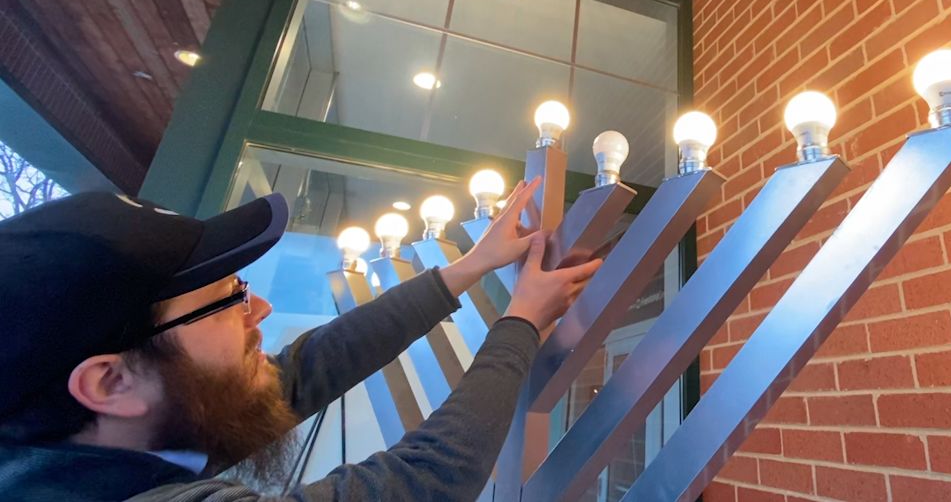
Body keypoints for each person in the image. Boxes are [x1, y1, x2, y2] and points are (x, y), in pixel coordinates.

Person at [0, 177, 601, 501]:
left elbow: (303, 371)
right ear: (111, 381)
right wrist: (520, 322)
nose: (259, 307)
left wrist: (465, 268)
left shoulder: (110, 436)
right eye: (226, 301)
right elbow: (427, 480)